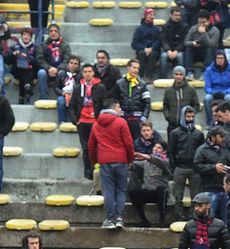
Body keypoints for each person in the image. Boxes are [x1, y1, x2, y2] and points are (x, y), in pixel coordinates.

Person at [87, 99, 134, 230]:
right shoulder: (121, 122)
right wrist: (130, 159)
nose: (120, 109)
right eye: (119, 107)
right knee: (120, 191)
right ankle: (119, 218)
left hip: (105, 160)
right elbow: (128, 143)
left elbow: (91, 145)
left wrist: (95, 160)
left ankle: (109, 218)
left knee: (108, 191)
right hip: (121, 160)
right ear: (113, 108)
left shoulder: (96, 124)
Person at [68, 63, 105, 180]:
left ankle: (96, 169)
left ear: (93, 73)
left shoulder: (100, 87)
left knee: (96, 147)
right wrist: (75, 121)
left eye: (90, 71)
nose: (88, 74)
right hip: (82, 122)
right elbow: (72, 105)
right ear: (82, 74)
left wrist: (100, 120)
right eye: (85, 72)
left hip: (95, 122)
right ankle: (87, 171)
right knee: (85, 148)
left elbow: (104, 104)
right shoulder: (78, 88)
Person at [168, 105, 204, 217]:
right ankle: (178, 216)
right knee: (178, 195)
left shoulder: (199, 134)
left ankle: (194, 216)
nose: (190, 119)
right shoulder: (175, 133)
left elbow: (202, 151)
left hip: (194, 169)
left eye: (192, 116)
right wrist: (174, 166)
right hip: (180, 168)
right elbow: (171, 151)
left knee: (196, 196)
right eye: (188, 116)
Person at [128, 139, 172, 227]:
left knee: (162, 189)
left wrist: (147, 157)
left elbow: (157, 161)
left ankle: (162, 219)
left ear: (164, 151)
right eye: (155, 147)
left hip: (160, 194)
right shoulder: (145, 163)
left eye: (159, 148)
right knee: (132, 192)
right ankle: (144, 220)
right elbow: (133, 165)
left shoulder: (166, 162)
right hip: (148, 191)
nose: (155, 149)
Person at [202, 50, 230, 125]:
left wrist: (225, 92)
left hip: (227, 92)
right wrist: (212, 92)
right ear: (215, 59)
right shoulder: (209, 70)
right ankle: (210, 122)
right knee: (207, 98)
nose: (220, 60)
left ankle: (227, 120)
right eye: (218, 58)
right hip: (213, 92)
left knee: (229, 98)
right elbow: (207, 87)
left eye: (222, 58)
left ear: (225, 59)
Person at [184, 13, 220, 79]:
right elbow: (186, 42)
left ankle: (205, 72)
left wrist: (204, 33)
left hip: (208, 54)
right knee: (188, 48)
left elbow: (212, 44)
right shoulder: (193, 28)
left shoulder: (215, 30)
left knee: (210, 49)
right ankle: (189, 72)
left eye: (204, 22)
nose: (201, 24)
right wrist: (192, 43)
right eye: (199, 22)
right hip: (196, 52)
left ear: (209, 21)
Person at [8, 28, 39, 103]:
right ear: (21, 36)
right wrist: (13, 54)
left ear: (31, 37)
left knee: (25, 69)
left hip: (31, 71)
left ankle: (21, 96)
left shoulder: (36, 48)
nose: (26, 36)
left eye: (28, 35)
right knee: (22, 68)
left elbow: (38, 61)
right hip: (16, 71)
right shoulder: (14, 47)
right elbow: (6, 60)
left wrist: (28, 57)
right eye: (25, 34)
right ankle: (27, 88)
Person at [133, 8, 163, 80]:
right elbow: (135, 43)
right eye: (150, 15)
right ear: (145, 16)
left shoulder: (156, 29)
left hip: (154, 50)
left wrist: (151, 48)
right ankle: (140, 75)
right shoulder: (139, 29)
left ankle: (149, 76)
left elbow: (158, 41)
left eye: (153, 15)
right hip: (142, 50)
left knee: (153, 54)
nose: (152, 16)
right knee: (141, 53)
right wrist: (144, 48)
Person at [160, 7, 188, 77]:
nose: (177, 17)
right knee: (163, 56)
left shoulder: (184, 26)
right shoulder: (165, 26)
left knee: (180, 56)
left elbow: (184, 41)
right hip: (168, 50)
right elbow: (163, 40)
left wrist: (176, 50)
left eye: (179, 15)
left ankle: (182, 77)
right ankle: (163, 78)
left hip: (179, 50)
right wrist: (168, 50)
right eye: (175, 15)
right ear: (171, 15)